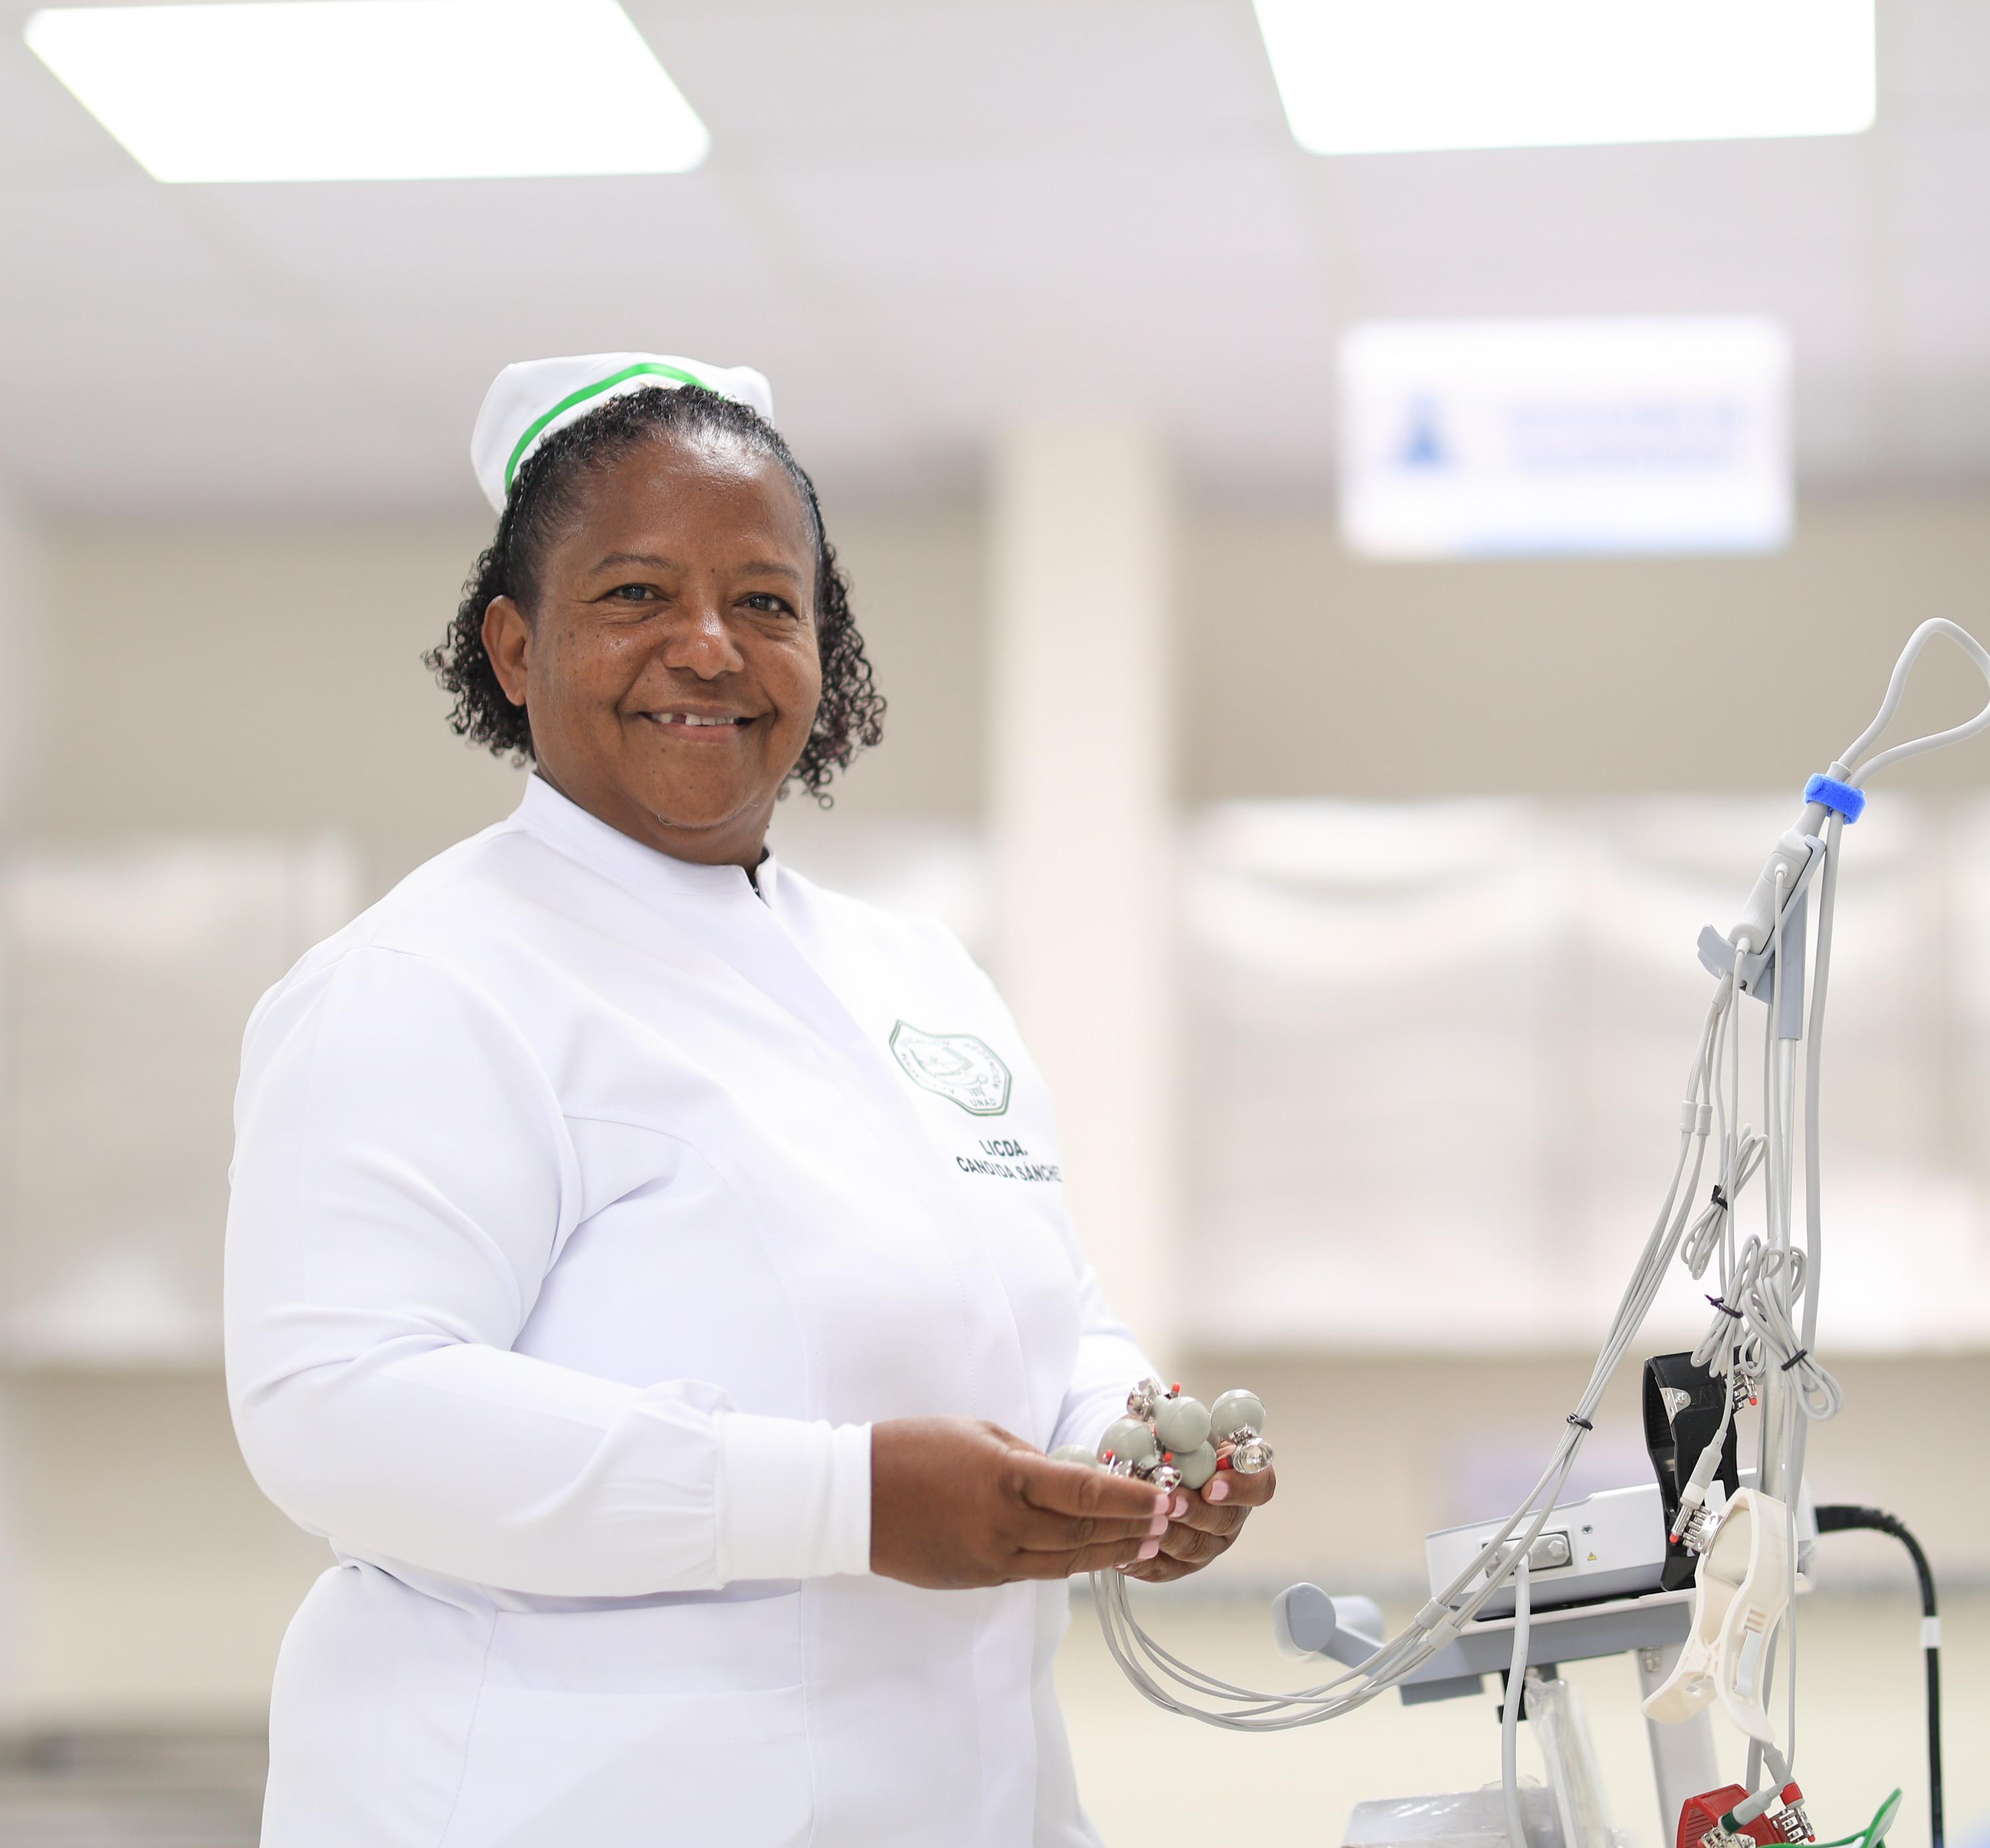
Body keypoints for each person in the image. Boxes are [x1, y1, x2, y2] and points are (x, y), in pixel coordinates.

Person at [224, 353, 1275, 1848]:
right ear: (514, 647)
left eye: (766, 602)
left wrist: (1127, 1446)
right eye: (636, 594)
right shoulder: (426, 980)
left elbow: (1035, 1311)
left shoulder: (914, 974)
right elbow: (342, 1409)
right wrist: (846, 1500)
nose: (709, 647)